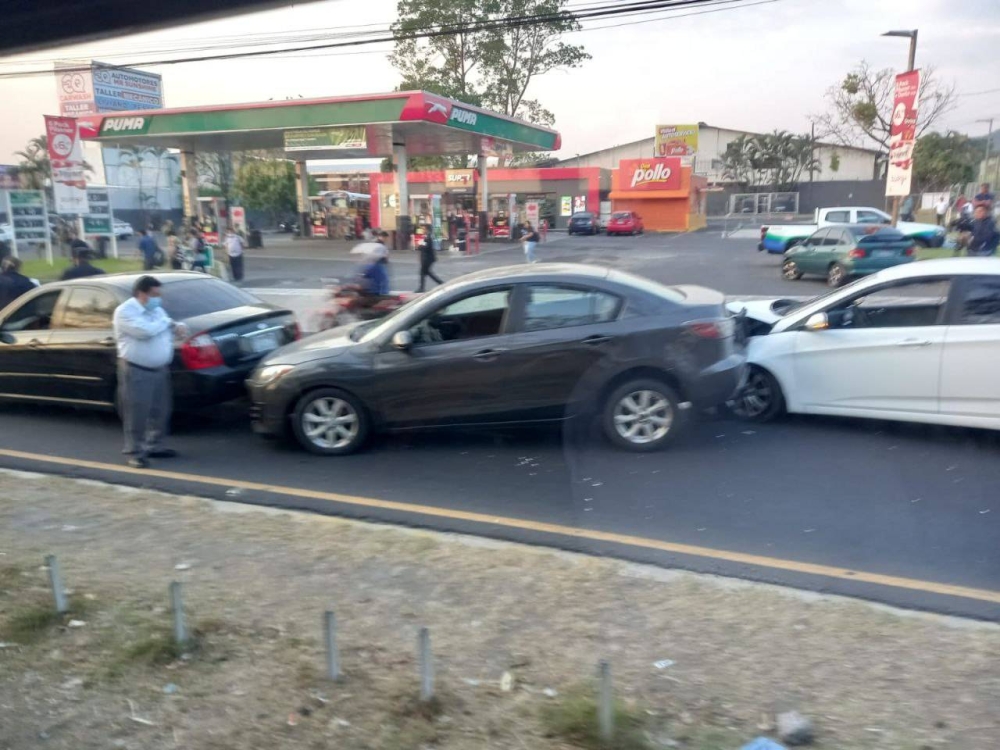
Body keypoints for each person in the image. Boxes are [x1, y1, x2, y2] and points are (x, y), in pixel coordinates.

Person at [113, 276, 187, 469]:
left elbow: (167, 325)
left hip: (160, 368)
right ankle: (134, 451)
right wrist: (167, 323)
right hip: (137, 370)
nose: (158, 299)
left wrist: (177, 327)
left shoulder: (156, 310)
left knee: (161, 410)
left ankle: (155, 445)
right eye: (155, 295)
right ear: (141, 294)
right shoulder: (125, 312)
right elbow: (144, 331)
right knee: (137, 412)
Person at [416, 225, 443, 293]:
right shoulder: (426, 237)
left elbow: (426, 247)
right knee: (427, 272)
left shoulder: (428, 237)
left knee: (423, 272)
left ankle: (422, 288)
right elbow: (422, 246)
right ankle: (441, 283)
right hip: (427, 258)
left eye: (424, 229)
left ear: (427, 230)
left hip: (428, 258)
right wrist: (420, 246)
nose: (423, 230)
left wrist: (420, 246)